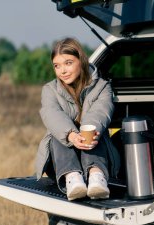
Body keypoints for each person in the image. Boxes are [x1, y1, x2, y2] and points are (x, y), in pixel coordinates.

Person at [35, 38, 119, 201]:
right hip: (60, 163)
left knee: (94, 130)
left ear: (81, 61)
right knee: (60, 131)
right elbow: (51, 114)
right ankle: (73, 178)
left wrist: (87, 133)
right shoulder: (49, 90)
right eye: (57, 66)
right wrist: (71, 136)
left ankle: (96, 177)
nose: (62, 71)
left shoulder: (102, 87)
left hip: (99, 157)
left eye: (68, 63)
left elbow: (101, 113)